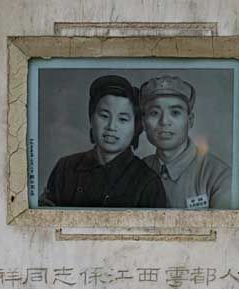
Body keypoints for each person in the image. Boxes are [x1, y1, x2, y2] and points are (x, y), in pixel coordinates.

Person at [40, 75, 166, 208]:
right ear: (91, 118)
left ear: (136, 126)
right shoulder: (65, 168)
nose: (111, 127)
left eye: (122, 119)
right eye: (104, 116)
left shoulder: (148, 183)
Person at [140, 75, 233, 209]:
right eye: (154, 113)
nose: (164, 121)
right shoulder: (137, 172)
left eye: (175, 112)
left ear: (190, 120)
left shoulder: (220, 178)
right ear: (143, 123)